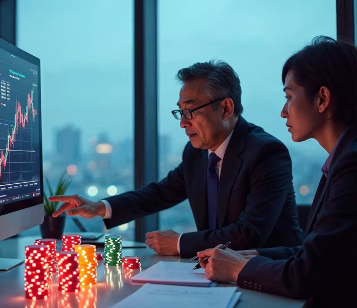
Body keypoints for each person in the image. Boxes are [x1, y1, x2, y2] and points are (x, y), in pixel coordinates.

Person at [196, 37, 357, 308]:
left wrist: (237, 270)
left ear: (322, 98)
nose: (282, 111)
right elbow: (315, 253)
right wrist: (249, 256)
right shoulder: (353, 155)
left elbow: (308, 274)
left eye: (289, 97)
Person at [51, 60, 303, 258]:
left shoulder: (266, 152)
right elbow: (160, 193)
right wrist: (100, 207)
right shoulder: (195, 153)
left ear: (225, 108)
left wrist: (181, 242)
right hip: (216, 273)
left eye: (190, 111)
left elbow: (250, 233)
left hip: (270, 276)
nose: (183, 123)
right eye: (180, 112)